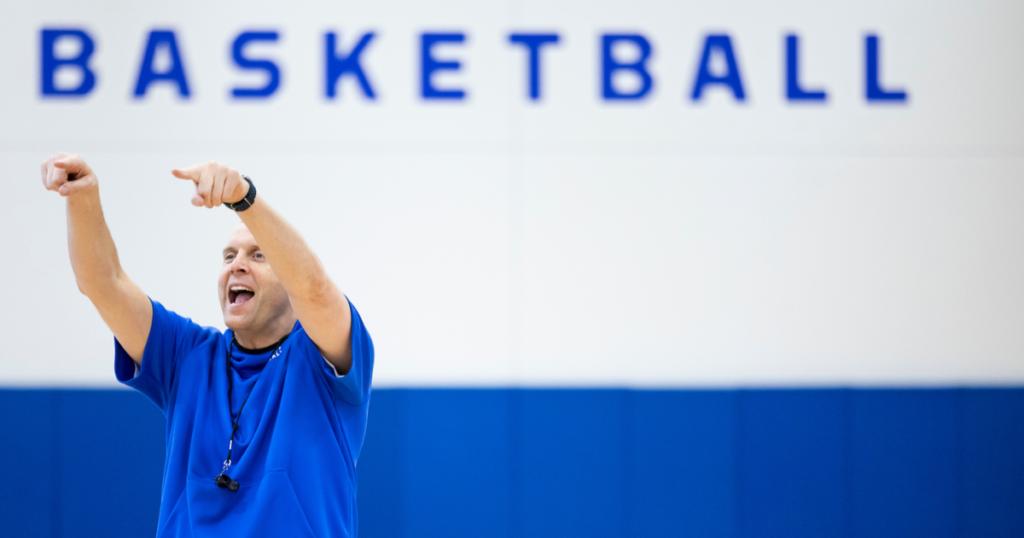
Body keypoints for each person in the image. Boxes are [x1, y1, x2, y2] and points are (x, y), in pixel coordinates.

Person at [40, 153, 374, 537]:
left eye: (258, 255)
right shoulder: (186, 355)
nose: (237, 265)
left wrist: (243, 198)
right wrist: (82, 195)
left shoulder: (324, 359)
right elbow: (104, 283)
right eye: (229, 256)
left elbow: (314, 287)